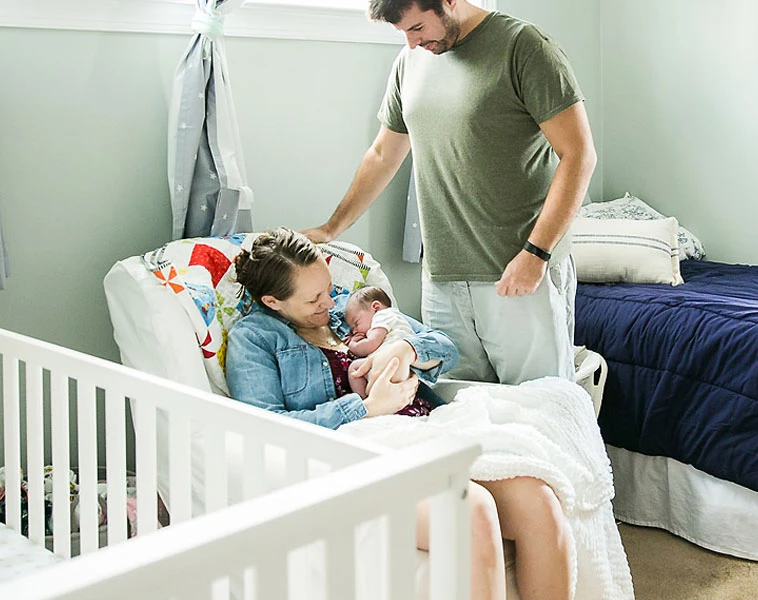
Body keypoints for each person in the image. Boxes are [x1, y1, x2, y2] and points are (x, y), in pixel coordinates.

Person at [224, 228, 573, 600]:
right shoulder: (255, 339)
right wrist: (366, 408)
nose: (329, 302)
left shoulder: (353, 312)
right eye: (314, 299)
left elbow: (445, 348)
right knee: (472, 511)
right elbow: (266, 427)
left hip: (425, 431)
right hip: (357, 455)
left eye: (327, 288)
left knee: (539, 502)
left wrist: (406, 348)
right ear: (273, 301)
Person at [302, 0, 597, 386]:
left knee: (540, 403)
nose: (411, 42)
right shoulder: (410, 62)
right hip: (442, 276)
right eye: (403, 32)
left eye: (417, 27)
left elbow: (579, 156)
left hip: (519, 270)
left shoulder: (524, 47)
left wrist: (536, 253)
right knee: (456, 405)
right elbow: (382, 155)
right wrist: (331, 228)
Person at [344, 285, 434, 416]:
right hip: (404, 367)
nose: (354, 331)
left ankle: (365, 401)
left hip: (389, 362)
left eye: (356, 323)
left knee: (354, 369)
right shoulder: (398, 318)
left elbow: (371, 344)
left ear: (376, 307)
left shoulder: (382, 316)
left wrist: (352, 344)